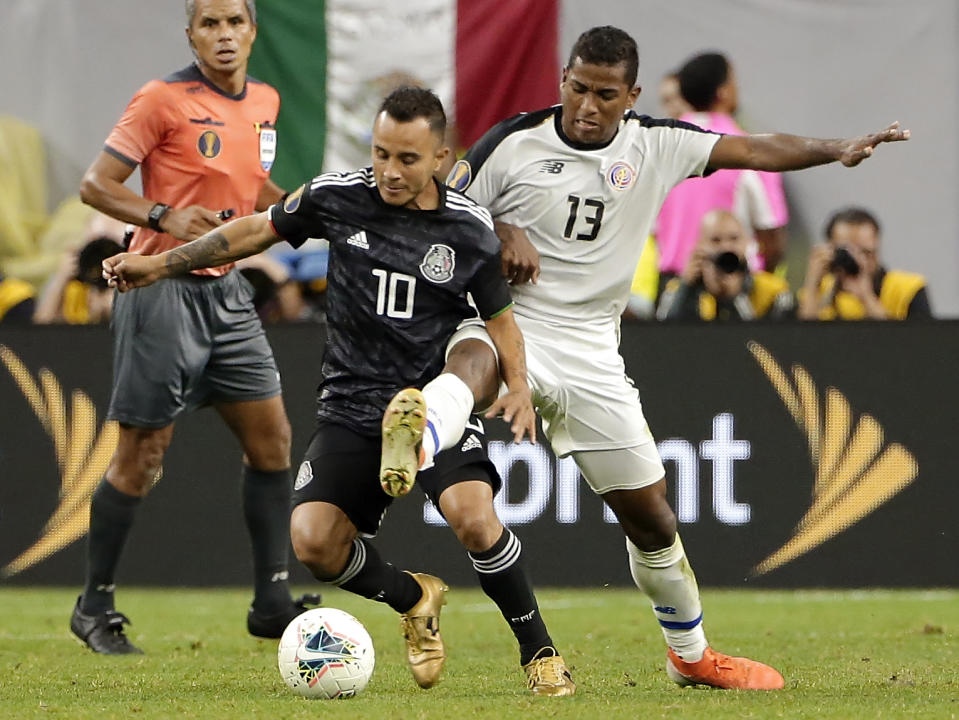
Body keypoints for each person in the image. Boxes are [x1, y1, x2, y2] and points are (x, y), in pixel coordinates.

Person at [446, 25, 908, 690]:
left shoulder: (657, 144)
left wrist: (837, 148)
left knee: (652, 515)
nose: (585, 105)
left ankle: (689, 656)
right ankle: (423, 427)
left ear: (629, 95)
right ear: (563, 82)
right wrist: (497, 225)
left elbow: (755, 148)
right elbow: (444, 207)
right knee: (471, 360)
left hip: (591, 352)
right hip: (510, 319)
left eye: (604, 94)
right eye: (576, 88)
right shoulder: (511, 142)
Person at [103, 87, 575, 696]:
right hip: (353, 407)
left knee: (473, 520)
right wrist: (161, 263)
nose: (390, 171)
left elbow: (501, 321)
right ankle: (414, 597)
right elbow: (254, 231)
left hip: (428, 400)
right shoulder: (337, 197)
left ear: (440, 157)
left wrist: (516, 387)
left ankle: (539, 650)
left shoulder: (468, 228)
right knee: (314, 544)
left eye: (407, 158)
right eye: (381, 153)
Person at [69, 0, 315, 655]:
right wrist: (163, 216)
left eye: (235, 22)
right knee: (142, 457)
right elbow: (96, 185)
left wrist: (308, 206)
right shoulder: (161, 98)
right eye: (210, 23)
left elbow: (251, 185)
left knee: (273, 442)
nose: (224, 35)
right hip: (159, 288)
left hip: (228, 292)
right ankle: (94, 607)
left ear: (253, 32)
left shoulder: (264, 100)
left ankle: (269, 603)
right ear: (192, 35)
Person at [655, 51, 790, 278]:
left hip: (672, 285)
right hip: (732, 282)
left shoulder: (660, 149)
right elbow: (772, 237)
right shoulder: (747, 152)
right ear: (723, 92)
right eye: (733, 81)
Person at [657, 209, 795, 321]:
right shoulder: (676, 289)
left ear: (747, 242)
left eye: (733, 239)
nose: (726, 247)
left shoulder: (772, 290)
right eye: (715, 240)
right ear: (700, 245)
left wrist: (733, 297)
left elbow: (769, 342)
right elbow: (665, 338)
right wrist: (686, 287)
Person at [798, 207, 931, 320]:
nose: (858, 261)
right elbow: (801, 341)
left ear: (877, 246)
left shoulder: (906, 288)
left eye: (866, 253)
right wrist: (812, 285)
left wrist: (867, 297)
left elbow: (914, 343)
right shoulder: (819, 293)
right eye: (847, 253)